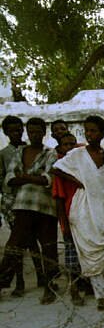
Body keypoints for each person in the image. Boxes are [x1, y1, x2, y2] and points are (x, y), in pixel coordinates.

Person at [53, 116, 104, 311]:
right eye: (87, 131)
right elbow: (56, 168)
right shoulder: (77, 155)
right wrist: (78, 181)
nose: (89, 134)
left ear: (103, 133)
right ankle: (100, 295)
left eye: (94, 131)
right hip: (85, 208)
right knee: (90, 252)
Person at [0, 117, 58, 304]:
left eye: (38, 131)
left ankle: (49, 287)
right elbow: (10, 178)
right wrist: (35, 177)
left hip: (45, 206)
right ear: (28, 132)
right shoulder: (19, 152)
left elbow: (49, 179)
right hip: (23, 205)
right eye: (31, 132)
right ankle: (3, 282)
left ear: (44, 132)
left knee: (48, 247)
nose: (34, 135)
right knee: (14, 245)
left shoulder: (50, 153)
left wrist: (24, 177)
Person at [0, 115, 36, 297]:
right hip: (11, 199)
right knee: (18, 240)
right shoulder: (4, 154)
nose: (16, 133)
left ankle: (42, 276)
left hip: (29, 197)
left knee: (32, 239)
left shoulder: (30, 150)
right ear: (5, 132)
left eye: (19, 129)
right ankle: (19, 280)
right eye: (12, 130)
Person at [52, 132, 88, 306]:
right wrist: (64, 225)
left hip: (86, 218)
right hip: (70, 218)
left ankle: (87, 285)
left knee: (87, 254)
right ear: (59, 148)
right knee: (72, 257)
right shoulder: (60, 172)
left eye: (72, 144)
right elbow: (59, 200)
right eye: (65, 145)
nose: (70, 148)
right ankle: (73, 290)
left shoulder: (82, 165)